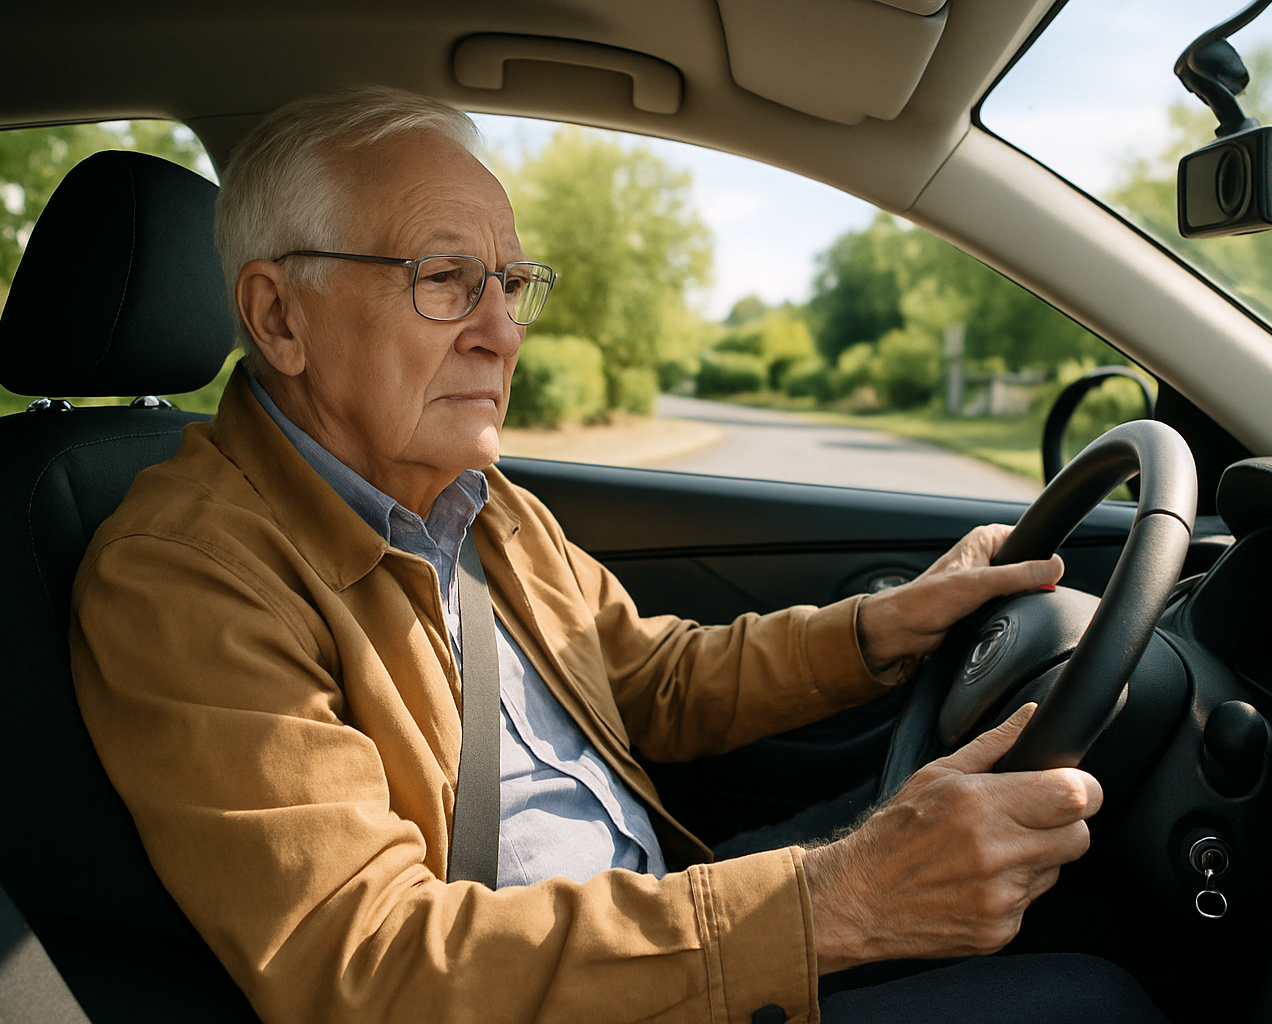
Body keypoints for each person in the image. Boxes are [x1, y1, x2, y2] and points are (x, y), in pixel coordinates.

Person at [70, 86, 1166, 1024]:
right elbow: (369, 963)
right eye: (447, 278)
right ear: (278, 317)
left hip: (660, 912)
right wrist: (835, 900)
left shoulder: (479, 500)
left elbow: (649, 678)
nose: (502, 331)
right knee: (1097, 1001)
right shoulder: (182, 577)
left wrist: (884, 624)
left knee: (1061, 880)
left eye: (512, 284)